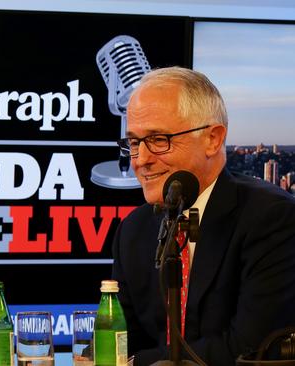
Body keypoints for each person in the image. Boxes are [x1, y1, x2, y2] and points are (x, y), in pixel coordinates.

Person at [112, 66, 295, 365]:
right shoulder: (133, 231)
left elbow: (252, 349)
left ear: (212, 139)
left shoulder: (273, 219)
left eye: (159, 139)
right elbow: (121, 343)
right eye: (133, 143)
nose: (141, 160)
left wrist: (137, 363)